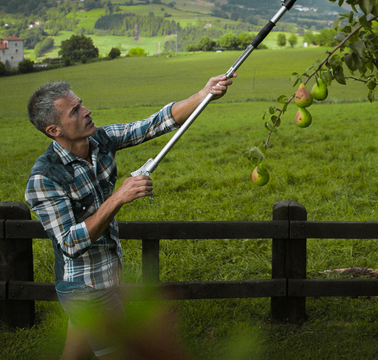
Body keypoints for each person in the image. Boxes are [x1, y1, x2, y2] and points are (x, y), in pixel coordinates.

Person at [25, 73, 234, 360]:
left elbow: (153, 124)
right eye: (75, 111)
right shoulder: (45, 179)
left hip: (109, 278)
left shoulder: (99, 141)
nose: (86, 111)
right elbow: (70, 243)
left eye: (81, 104)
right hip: (85, 289)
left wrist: (202, 95)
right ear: (54, 130)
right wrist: (118, 197)